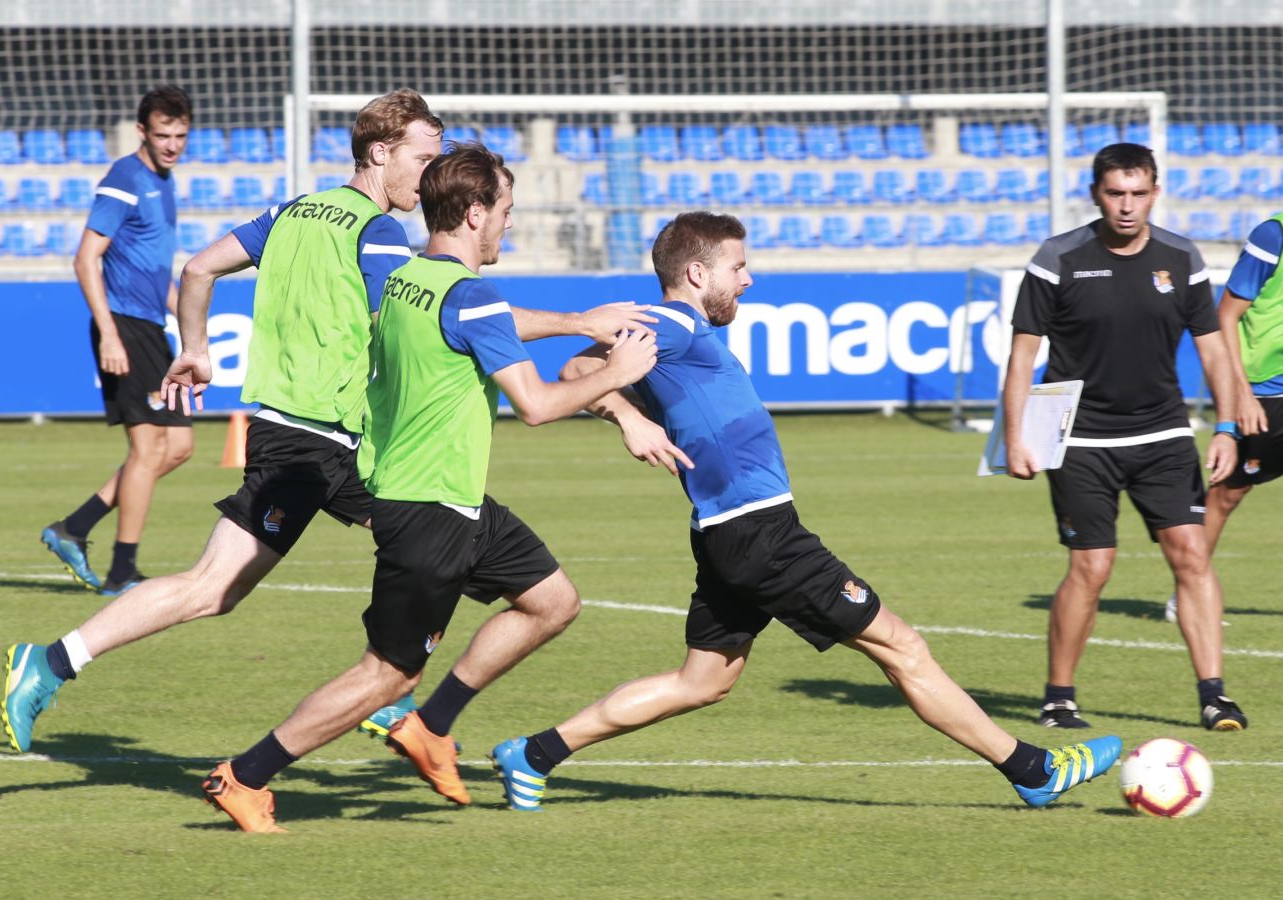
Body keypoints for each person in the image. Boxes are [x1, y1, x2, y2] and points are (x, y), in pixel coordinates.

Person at [487, 211, 1121, 814]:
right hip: (759, 533)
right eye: (738, 266)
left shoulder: (684, 334)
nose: (749, 279)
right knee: (902, 646)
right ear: (700, 274)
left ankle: (534, 754)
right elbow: (577, 360)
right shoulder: (672, 322)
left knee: (701, 682)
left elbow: (583, 368)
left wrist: (627, 412)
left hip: (728, 532)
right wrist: (628, 418)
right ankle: (1034, 772)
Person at [198, 143, 661, 833]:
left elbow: (481, 328)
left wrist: (572, 325)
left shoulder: (409, 281)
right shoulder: (471, 297)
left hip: (454, 498)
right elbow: (534, 405)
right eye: (505, 211)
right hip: (428, 510)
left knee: (552, 601)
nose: (509, 225)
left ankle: (432, 725)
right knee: (385, 675)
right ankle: (244, 775)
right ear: (475, 214)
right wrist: (617, 372)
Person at [1003, 143, 1247, 732]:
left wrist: (1227, 427)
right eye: (1116, 193)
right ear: (1096, 194)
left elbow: (1213, 349)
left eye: (1139, 193)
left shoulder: (1181, 258)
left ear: (1156, 193)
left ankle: (1214, 696)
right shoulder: (1057, 258)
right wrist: (1015, 437)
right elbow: (1022, 357)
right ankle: (1059, 697)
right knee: (1093, 566)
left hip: (1163, 435)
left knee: (1191, 554)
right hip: (1081, 439)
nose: (1127, 206)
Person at [41, 86, 195, 596]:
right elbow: (86, 258)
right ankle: (122, 570)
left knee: (177, 447)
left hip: (148, 325)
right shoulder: (124, 179)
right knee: (150, 447)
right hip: (124, 326)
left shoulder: (163, 181)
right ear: (142, 133)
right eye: (163, 135)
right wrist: (109, 334)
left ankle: (74, 528)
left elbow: (158, 274)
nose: (172, 144)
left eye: (180, 135)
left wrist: (194, 323)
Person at [1164, 211, 1283, 625]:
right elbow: (1226, 315)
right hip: (1267, 389)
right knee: (1229, 493)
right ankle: (1187, 594)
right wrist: (1243, 394)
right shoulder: (1273, 235)